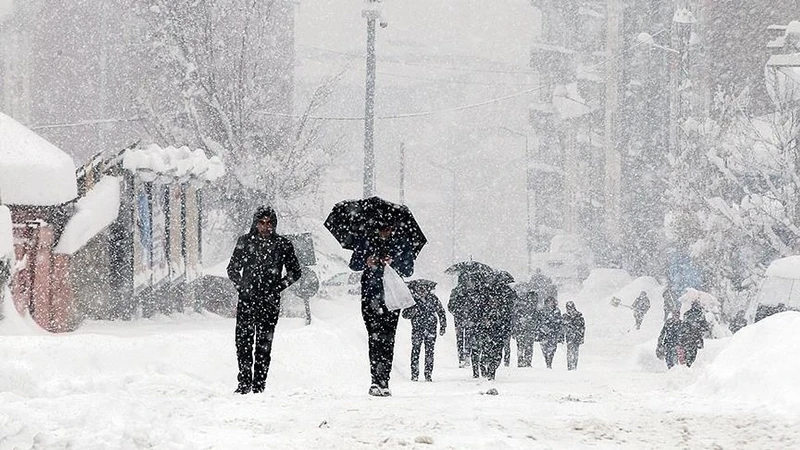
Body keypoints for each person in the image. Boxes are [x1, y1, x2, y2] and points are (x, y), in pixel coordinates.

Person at [227, 206, 302, 394]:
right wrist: (242, 286)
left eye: (269, 223)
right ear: (255, 223)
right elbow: (232, 269)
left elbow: (295, 272)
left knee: (264, 344)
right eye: (262, 222)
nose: (265, 226)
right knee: (243, 342)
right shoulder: (245, 242)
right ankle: (244, 382)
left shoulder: (283, 244)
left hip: (269, 301)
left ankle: (259, 384)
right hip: (247, 299)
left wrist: (278, 287)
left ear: (274, 224)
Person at [349, 218, 415, 397]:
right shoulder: (366, 241)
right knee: (374, 337)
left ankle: (384, 379)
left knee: (387, 338)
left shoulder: (401, 242)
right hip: (371, 296)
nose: (386, 231)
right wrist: (367, 261)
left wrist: (393, 262)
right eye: (382, 227)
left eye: (388, 227)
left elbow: (409, 269)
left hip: (391, 297)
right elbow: (354, 263)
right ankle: (376, 379)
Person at [470, 271, 514, 381]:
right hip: (487, 328)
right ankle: (487, 369)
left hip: (500, 328)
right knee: (487, 350)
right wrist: (483, 320)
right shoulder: (486, 292)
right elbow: (478, 311)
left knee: (497, 352)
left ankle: (491, 369)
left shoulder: (507, 294)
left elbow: (509, 313)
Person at [402, 281, 446, 382]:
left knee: (429, 352)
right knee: (416, 351)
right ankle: (414, 374)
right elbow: (404, 314)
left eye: (424, 288)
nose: (422, 291)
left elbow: (441, 312)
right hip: (417, 329)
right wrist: (413, 312)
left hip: (431, 328)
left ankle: (428, 374)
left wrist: (443, 326)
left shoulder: (433, 299)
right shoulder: (412, 300)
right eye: (420, 288)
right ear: (416, 289)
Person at [448, 273, 474, 368]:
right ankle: (465, 357)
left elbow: (450, 306)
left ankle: (463, 357)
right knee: (466, 338)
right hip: (463, 318)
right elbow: (450, 306)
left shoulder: (456, 291)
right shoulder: (458, 292)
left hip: (463, 318)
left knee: (464, 338)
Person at [512, 290, 539, 367]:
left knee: (527, 347)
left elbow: (536, 320)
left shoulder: (533, 310)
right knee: (522, 346)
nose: (534, 301)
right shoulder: (522, 308)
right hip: (522, 330)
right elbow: (516, 318)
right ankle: (522, 361)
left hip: (528, 331)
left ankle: (526, 362)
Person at [681, 301, 710, 367]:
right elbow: (705, 326)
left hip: (688, 337)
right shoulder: (700, 315)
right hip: (696, 337)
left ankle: (688, 364)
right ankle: (691, 364)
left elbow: (683, 326)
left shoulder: (687, 314)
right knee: (694, 352)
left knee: (688, 351)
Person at [538, 296, 562, 369]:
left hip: (553, 333)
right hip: (544, 334)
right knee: (544, 349)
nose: (551, 303)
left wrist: (555, 329)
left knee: (552, 349)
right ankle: (547, 361)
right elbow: (539, 322)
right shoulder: (542, 311)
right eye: (549, 302)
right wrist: (544, 328)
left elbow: (559, 322)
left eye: (552, 301)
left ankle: (549, 362)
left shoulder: (557, 311)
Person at [562, 301, 585, 371]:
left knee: (575, 352)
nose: (569, 309)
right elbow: (562, 328)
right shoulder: (565, 317)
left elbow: (582, 328)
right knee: (570, 352)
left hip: (576, 336)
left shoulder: (579, 316)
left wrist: (581, 337)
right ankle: (570, 366)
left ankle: (574, 366)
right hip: (570, 337)